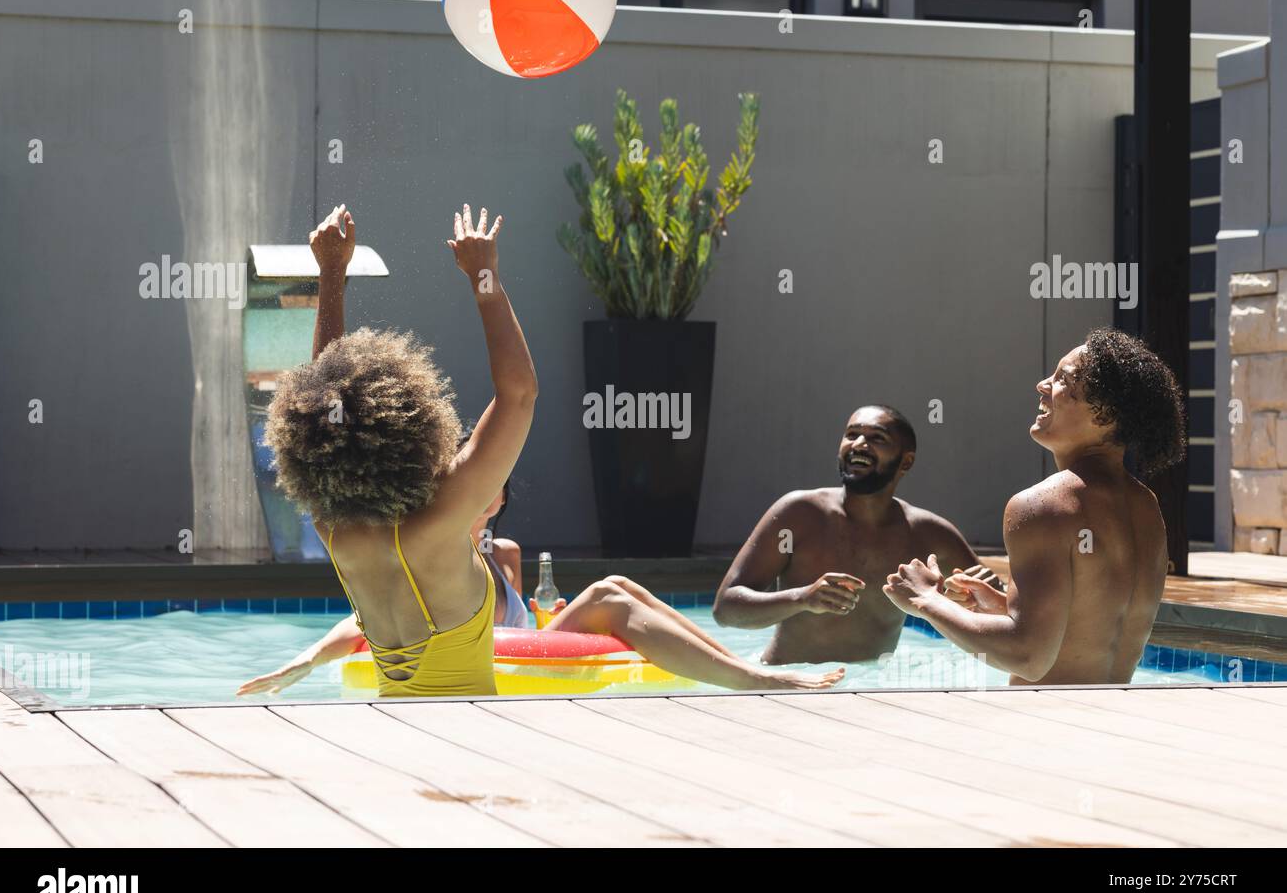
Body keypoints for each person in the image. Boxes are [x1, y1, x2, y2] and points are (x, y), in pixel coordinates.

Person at [241, 204, 842, 697]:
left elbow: (327, 403)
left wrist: (332, 278)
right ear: (414, 433)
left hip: (393, 726)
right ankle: (759, 681)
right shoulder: (444, 520)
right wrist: (484, 277)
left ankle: (754, 674)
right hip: (470, 736)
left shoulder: (335, 528)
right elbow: (520, 393)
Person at [882, 329, 1185, 686]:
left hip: (1043, 727)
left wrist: (925, 601)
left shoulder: (1043, 506)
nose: (1042, 385)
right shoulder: (1145, 507)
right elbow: (1092, 628)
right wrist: (1001, 607)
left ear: (1105, 415)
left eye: (1063, 380)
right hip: (1108, 723)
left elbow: (1028, 657)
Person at [712, 405, 1000, 664]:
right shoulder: (798, 514)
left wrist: (987, 592)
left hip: (870, 691)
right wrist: (802, 599)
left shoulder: (929, 535)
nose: (859, 444)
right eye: (851, 435)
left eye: (877, 438)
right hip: (786, 684)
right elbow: (725, 609)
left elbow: (1004, 613)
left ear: (906, 461)